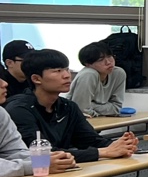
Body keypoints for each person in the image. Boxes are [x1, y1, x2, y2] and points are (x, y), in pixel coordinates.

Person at [6, 50, 137, 164]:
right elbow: (43, 154)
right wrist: (102, 152)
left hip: (61, 171)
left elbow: (90, 140)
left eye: (67, 69)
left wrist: (121, 145)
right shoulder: (19, 110)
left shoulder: (68, 106)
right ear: (36, 79)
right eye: (58, 71)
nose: (67, 75)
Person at [69, 41, 127, 117]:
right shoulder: (88, 75)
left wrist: (91, 106)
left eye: (109, 56)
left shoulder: (118, 73)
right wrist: (104, 109)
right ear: (88, 64)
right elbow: (81, 109)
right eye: (100, 59)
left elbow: (116, 108)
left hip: (99, 119)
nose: (108, 62)